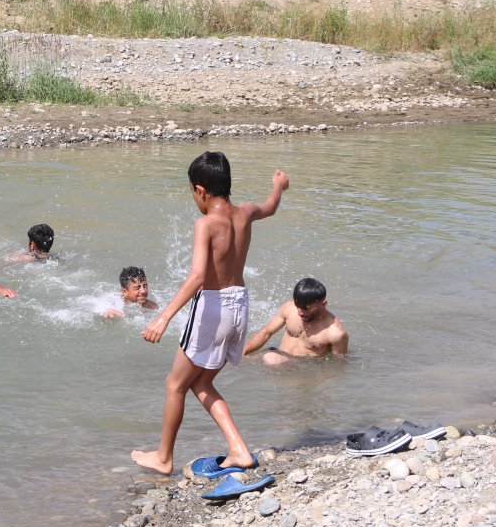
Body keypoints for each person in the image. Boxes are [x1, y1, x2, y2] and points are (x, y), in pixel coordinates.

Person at [131, 151, 289, 475]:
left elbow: (198, 277)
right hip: (240, 304)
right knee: (201, 384)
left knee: (175, 384)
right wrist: (278, 187)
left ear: (200, 190)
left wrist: (163, 317)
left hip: (212, 307)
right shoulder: (244, 213)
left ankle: (163, 457)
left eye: (192, 192)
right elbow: (270, 207)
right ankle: (239, 450)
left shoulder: (206, 224)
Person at [243, 278, 348, 365]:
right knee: (237, 360)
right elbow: (266, 332)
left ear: (323, 304)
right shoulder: (289, 308)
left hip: (301, 367)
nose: (299, 313)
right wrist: (242, 353)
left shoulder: (335, 333)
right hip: (278, 355)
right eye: (298, 306)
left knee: (270, 358)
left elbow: (338, 365)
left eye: (305, 308)